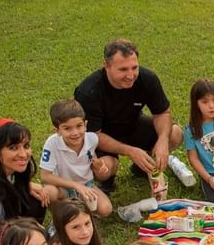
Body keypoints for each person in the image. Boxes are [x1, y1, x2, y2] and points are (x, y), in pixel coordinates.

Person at [73, 38, 182, 191]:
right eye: (123, 70)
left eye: (134, 68)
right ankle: (106, 181)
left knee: (175, 133)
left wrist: (163, 140)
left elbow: (162, 113)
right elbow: (93, 135)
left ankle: (143, 168)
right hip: (102, 135)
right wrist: (130, 151)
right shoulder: (88, 91)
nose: (131, 75)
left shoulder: (147, 79)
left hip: (132, 125)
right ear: (107, 66)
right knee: (106, 168)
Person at [39, 99, 116, 217]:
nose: (75, 133)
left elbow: (92, 161)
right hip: (63, 189)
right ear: (57, 130)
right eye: (67, 128)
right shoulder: (52, 143)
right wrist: (76, 186)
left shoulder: (92, 139)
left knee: (106, 209)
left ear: (85, 125)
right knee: (49, 192)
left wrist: (99, 168)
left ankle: (81, 210)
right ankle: (59, 218)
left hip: (86, 185)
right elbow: (45, 176)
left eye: (79, 126)